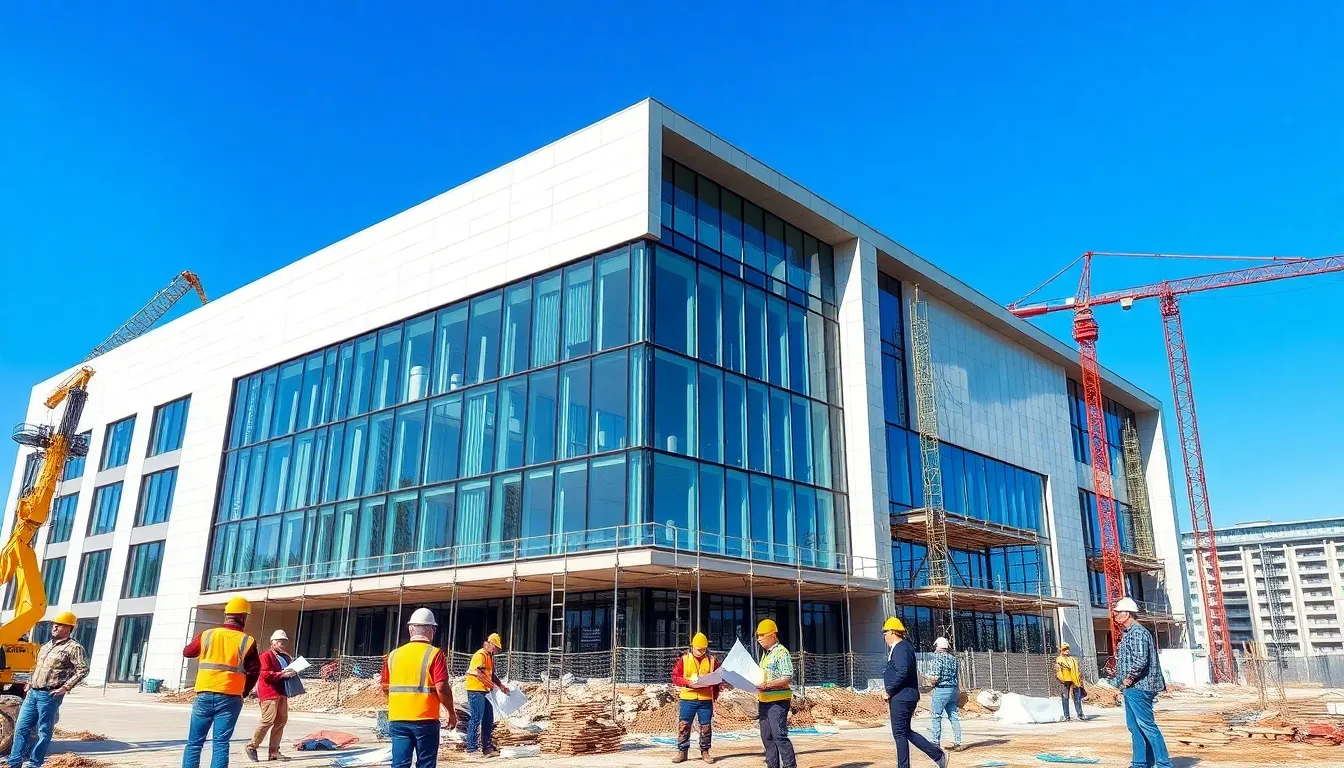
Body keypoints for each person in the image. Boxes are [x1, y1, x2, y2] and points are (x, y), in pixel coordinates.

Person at [183, 595, 261, 768]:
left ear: (227, 615)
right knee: (220, 743)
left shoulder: (208, 635)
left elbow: (188, 652)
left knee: (194, 743)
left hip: (204, 694)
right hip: (230, 697)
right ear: (243, 617)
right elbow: (255, 671)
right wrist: (244, 692)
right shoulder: (247, 641)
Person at [8, 612, 88, 768]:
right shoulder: (46, 646)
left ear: (69, 628)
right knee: (21, 728)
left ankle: (34, 764)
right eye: (54, 624)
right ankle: (14, 763)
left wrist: (65, 687)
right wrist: (30, 682)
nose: (55, 626)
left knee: (43, 732)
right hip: (32, 694)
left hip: (49, 695)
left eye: (60, 624)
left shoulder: (74, 647)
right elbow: (37, 667)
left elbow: (83, 670)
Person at [381, 608, 457, 768]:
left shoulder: (393, 655)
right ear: (432, 630)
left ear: (410, 629)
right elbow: (441, 688)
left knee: (400, 764)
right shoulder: (435, 654)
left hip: (398, 718)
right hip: (425, 719)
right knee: (426, 764)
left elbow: (385, 686)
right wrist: (451, 712)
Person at [1109, 597, 1172, 768]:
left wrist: (1127, 680)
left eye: (1117, 612)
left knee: (1147, 726)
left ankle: (1164, 764)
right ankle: (1140, 763)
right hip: (1132, 687)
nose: (1115, 615)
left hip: (1140, 686)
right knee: (1134, 727)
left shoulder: (1137, 632)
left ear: (1127, 614)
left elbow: (1140, 660)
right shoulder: (1129, 633)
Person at [882, 617, 946, 768]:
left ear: (892, 632)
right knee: (905, 731)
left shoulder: (901, 648)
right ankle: (937, 755)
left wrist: (889, 690)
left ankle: (906, 765)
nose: (884, 636)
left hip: (901, 696)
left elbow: (902, 672)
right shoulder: (903, 647)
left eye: (885, 632)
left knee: (899, 734)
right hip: (904, 695)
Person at [669, 632, 727, 764]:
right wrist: (687, 682)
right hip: (688, 698)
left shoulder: (712, 660)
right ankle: (682, 752)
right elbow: (675, 676)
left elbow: (718, 677)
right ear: (692, 646)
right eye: (698, 649)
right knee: (684, 725)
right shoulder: (684, 659)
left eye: (703, 649)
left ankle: (705, 752)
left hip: (705, 700)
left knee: (706, 726)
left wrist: (719, 688)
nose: (701, 651)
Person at [247, 629, 298, 762]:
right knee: (267, 720)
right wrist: (282, 674)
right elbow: (265, 674)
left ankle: (274, 752)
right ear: (272, 642)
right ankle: (252, 746)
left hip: (282, 692)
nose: (281, 644)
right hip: (269, 692)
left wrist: (292, 672)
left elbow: (286, 671)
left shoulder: (286, 657)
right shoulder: (265, 656)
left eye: (283, 641)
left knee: (281, 721)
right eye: (279, 641)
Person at [754, 619, 795, 768]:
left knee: (779, 735)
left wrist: (768, 685)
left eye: (762, 635)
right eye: (758, 636)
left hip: (778, 701)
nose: (759, 639)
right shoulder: (766, 654)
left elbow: (787, 677)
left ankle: (790, 766)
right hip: (764, 700)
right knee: (767, 736)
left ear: (773, 635)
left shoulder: (781, 652)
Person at [464, 632, 510, 758]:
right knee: (476, 718)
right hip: (476, 690)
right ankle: (471, 748)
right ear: (490, 644)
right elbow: (479, 674)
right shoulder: (480, 655)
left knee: (488, 719)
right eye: (495, 648)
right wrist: (491, 685)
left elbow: (491, 674)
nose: (496, 651)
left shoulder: (489, 656)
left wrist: (501, 686)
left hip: (485, 691)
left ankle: (487, 748)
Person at [923, 637, 962, 752]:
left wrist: (926, 678)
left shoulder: (937, 658)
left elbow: (935, 677)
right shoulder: (954, 659)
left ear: (937, 647)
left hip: (941, 690)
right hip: (953, 690)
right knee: (953, 716)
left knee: (936, 716)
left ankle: (935, 742)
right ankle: (958, 742)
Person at [1055, 642, 1086, 721]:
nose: (1067, 651)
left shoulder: (1072, 659)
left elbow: (1076, 669)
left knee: (1077, 698)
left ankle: (1080, 714)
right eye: (1065, 649)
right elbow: (1058, 670)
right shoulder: (1059, 659)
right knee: (1065, 698)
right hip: (1065, 680)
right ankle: (1067, 715)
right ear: (1061, 650)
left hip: (1074, 679)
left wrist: (1079, 677)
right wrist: (1061, 678)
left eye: (1067, 649)